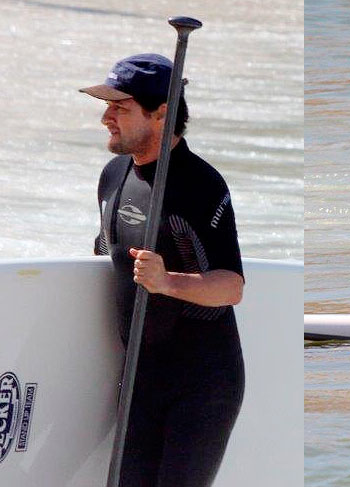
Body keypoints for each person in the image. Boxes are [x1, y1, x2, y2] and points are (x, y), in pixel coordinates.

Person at [80, 53, 245, 486]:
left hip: (202, 384)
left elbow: (231, 286)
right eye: (107, 106)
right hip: (137, 378)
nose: (105, 118)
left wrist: (167, 281)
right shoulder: (113, 176)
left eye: (120, 107)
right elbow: (105, 254)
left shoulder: (200, 185)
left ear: (162, 112)